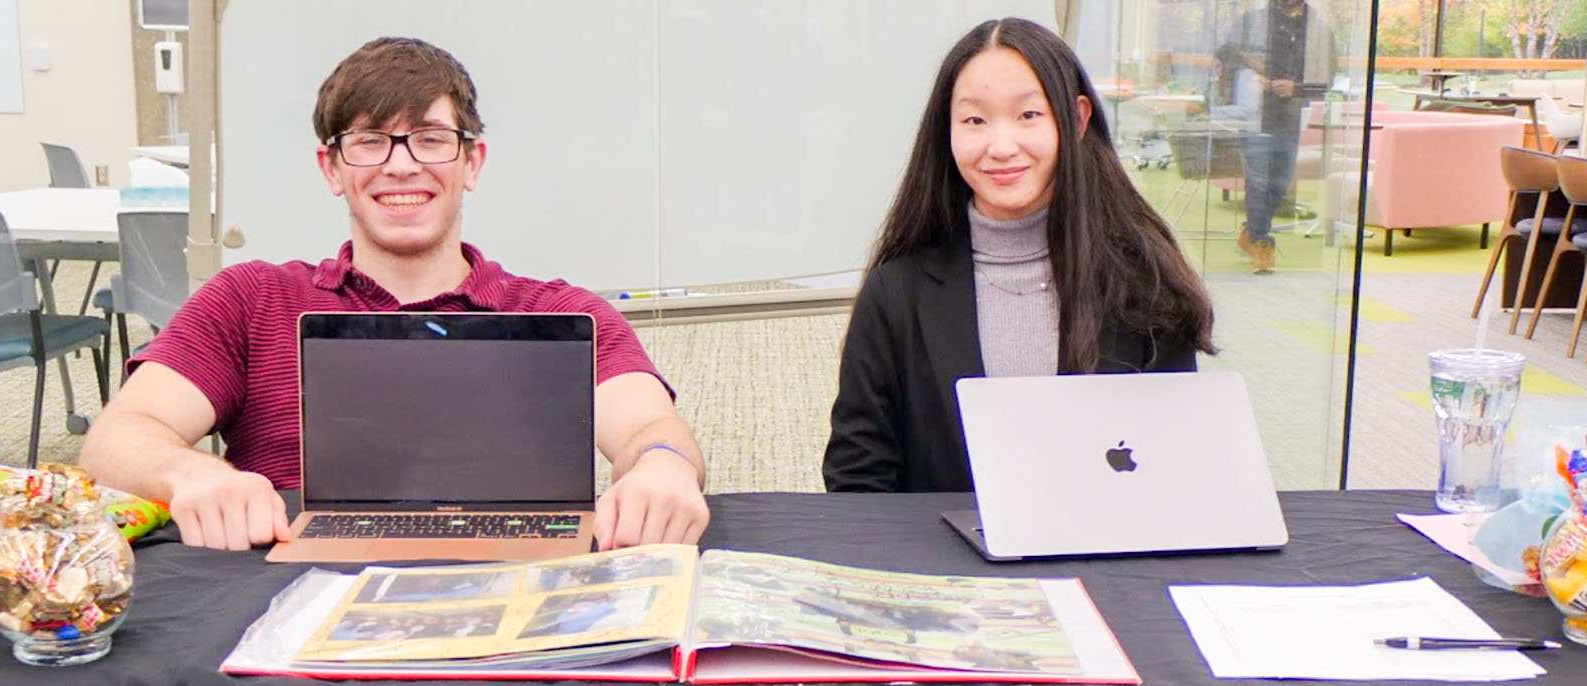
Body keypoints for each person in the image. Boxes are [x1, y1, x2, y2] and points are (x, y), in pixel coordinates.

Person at [80, 37, 708, 551]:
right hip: (293, 608)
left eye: (431, 139)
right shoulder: (251, 299)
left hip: (517, 588)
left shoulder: (559, 312)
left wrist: (661, 465)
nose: (401, 165)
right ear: (332, 168)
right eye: (369, 141)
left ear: (473, 163)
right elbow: (118, 436)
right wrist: (193, 472)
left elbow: (652, 427)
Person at [821, 18, 1214, 494]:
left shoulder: (1143, 280)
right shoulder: (896, 293)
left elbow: (1177, 470)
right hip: (943, 567)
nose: (1001, 147)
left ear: (1078, 118)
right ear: (947, 130)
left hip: (1104, 564)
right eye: (974, 121)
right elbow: (857, 478)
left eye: (1028, 116)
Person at [1224, 0, 1335, 274]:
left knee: (1279, 185)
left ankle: (1251, 233)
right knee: (1259, 183)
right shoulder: (1251, 23)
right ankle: (1263, 243)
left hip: (1290, 118)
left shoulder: (1319, 30)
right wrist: (1249, 77)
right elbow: (1225, 59)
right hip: (1255, 115)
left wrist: (1296, 88)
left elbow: (1327, 78)